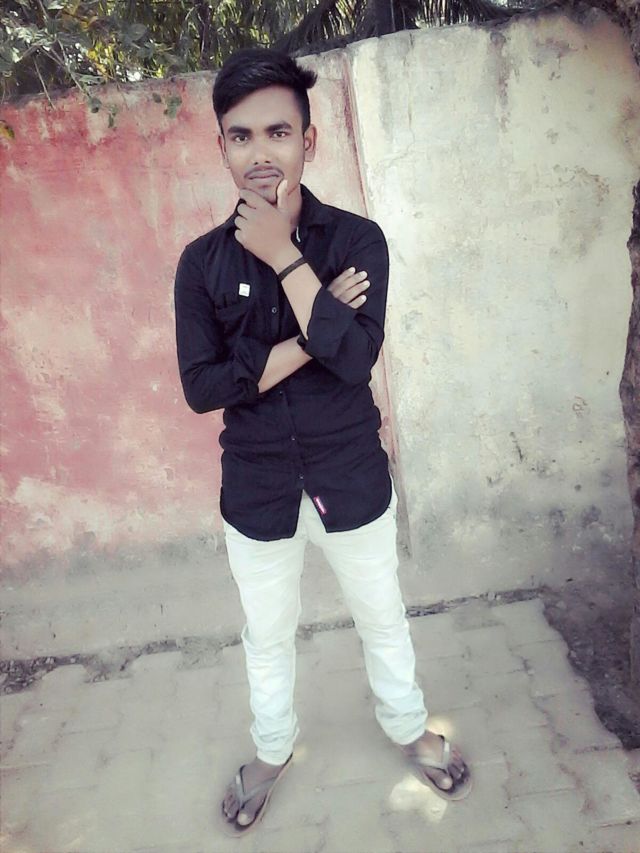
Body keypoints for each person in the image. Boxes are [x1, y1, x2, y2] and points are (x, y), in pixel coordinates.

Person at [174, 46, 471, 836]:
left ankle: (409, 727)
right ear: (221, 147)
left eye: (278, 131)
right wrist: (313, 327)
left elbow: (356, 357)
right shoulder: (200, 265)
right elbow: (202, 387)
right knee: (268, 635)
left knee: (382, 615)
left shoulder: (358, 242)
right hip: (257, 486)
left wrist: (284, 256)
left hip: (350, 472)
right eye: (241, 135)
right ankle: (272, 751)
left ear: (309, 140)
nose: (260, 152)